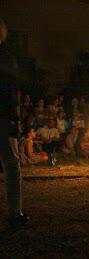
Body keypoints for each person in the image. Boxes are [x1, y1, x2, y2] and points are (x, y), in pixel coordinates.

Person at [0, 18, 29, 226]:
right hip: (2, 118)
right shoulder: (5, 58)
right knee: (11, 165)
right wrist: (16, 119)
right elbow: (11, 91)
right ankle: (14, 213)